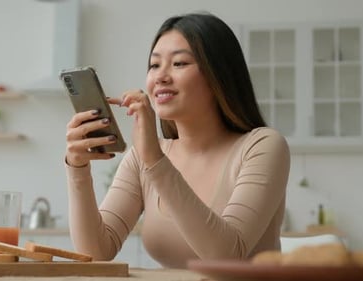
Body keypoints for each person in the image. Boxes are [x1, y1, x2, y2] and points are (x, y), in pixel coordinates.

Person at [64, 12, 290, 269]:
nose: (160, 76)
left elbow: (227, 256)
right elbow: (96, 251)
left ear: (219, 75)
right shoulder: (145, 156)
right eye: (154, 65)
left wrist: (154, 160)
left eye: (179, 63)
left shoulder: (262, 146)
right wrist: (78, 169)